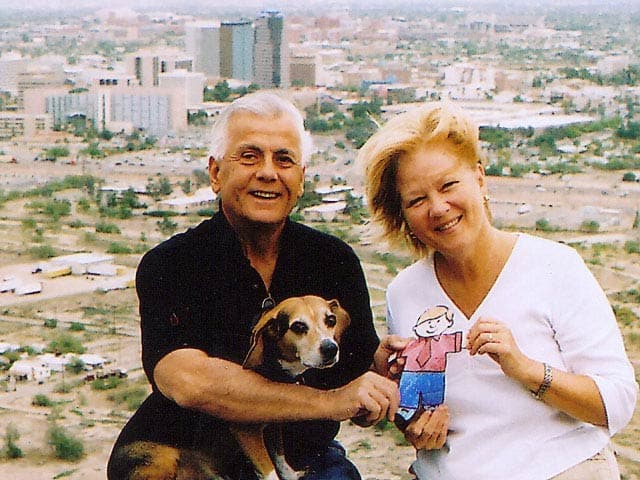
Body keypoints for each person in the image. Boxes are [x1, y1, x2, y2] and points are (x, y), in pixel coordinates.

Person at [107, 92, 399, 480]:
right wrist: (329, 402)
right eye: (249, 156)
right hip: (195, 465)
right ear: (215, 173)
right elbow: (189, 383)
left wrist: (392, 372)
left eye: (284, 159)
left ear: (301, 179)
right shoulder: (172, 264)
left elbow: (356, 382)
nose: (267, 172)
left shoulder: (334, 261)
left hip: (303, 461)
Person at [359, 102, 638, 479]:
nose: (438, 208)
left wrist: (525, 370)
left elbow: (616, 404)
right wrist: (413, 424)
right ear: (403, 215)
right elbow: (418, 417)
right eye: (417, 200)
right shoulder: (404, 292)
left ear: (480, 178)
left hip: (562, 469)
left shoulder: (555, 266)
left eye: (448, 185)